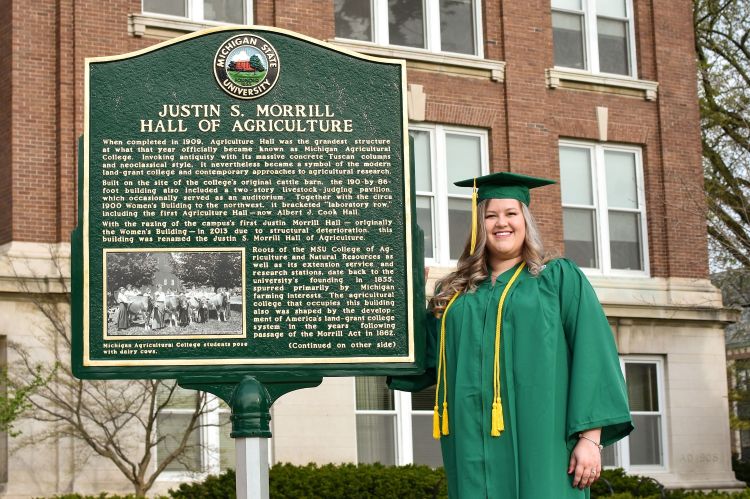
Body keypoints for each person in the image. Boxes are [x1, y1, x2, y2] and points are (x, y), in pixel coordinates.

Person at [389, 172, 633, 498]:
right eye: (490, 215)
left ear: (525, 220)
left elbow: (594, 355)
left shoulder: (558, 279)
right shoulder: (456, 296)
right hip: (471, 447)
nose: (500, 223)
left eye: (510, 214)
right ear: (479, 225)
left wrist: (590, 439)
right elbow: (424, 359)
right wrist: (409, 300)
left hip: (544, 447)